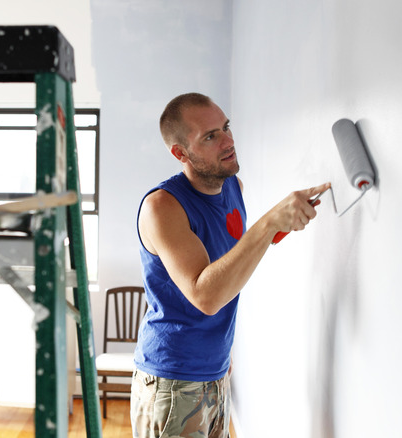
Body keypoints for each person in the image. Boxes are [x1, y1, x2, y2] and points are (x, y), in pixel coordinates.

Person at [131, 92, 329, 437]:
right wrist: (268, 224)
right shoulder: (163, 206)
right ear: (181, 153)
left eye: (226, 127)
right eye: (210, 136)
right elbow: (205, 296)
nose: (228, 141)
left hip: (216, 371)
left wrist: (277, 228)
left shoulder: (232, 187)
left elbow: (229, 263)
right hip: (172, 380)